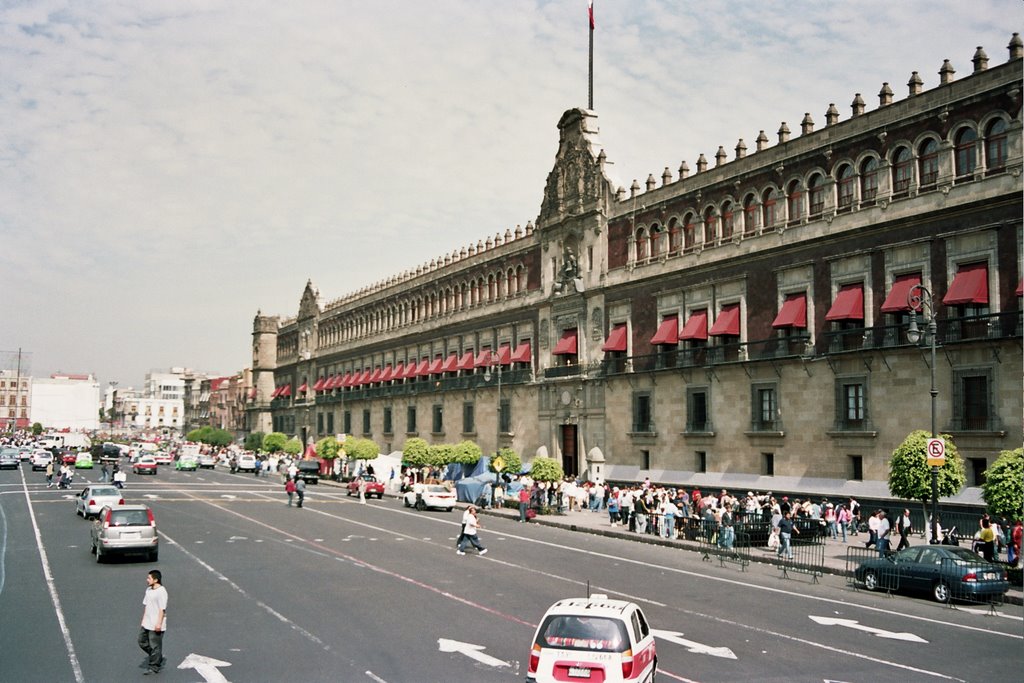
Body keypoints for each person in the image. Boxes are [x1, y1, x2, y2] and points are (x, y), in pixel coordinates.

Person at [138, 570, 168, 675]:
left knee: (155, 645)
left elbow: (162, 609)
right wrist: (143, 619)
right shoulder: (148, 590)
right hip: (147, 622)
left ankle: (154, 667)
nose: (147, 580)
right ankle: (157, 656)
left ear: (156, 580)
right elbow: (146, 605)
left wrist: (159, 623)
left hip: (156, 623)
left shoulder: (161, 591)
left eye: (149, 578)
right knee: (141, 641)